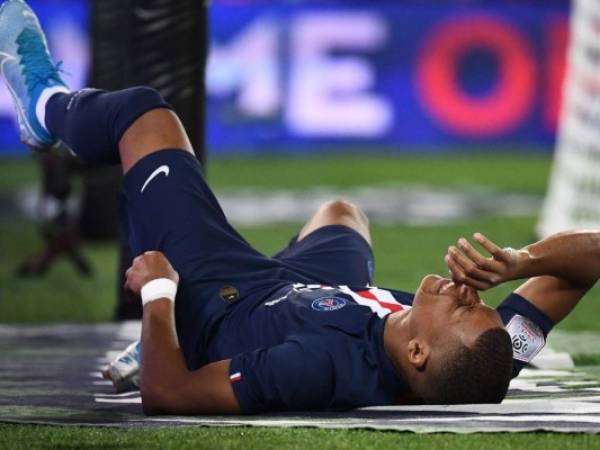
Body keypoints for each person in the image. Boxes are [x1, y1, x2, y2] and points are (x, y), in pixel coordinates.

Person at [2, 0, 599, 415]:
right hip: (312, 290)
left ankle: (45, 105)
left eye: (466, 310)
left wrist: (161, 298)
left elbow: (168, 396)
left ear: (417, 353)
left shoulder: (317, 367)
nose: (472, 295)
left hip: (226, 298)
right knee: (342, 213)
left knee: (144, 115)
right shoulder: (491, 355)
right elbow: (592, 257)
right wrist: (521, 261)